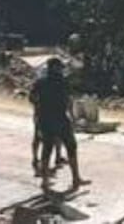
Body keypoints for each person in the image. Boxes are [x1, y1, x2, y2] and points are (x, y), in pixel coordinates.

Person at [29, 57, 88, 190]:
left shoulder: (40, 82)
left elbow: (32, 98)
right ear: (55, 68)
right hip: (60, 118)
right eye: (59, 67)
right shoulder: (63, 82)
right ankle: (75, 178)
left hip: (45, 119)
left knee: (47, 149)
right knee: (71, 147)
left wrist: (40, 110)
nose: (61, 70)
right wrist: (72, 117)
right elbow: (69, 101)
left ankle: (45, 181)